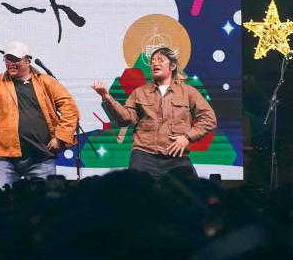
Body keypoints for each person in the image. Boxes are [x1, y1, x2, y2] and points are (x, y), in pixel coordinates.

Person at [92, 46, 217, 178]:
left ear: (172, 66)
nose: (155, 63)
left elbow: (209, 119)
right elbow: (125, 119)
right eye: (153, 61)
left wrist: (187, 138)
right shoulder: (140, 92)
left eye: (161, 60)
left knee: (187, 189)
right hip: (143, 156)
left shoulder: (188, 92)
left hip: (176, 156)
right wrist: (107, 97)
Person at [0, 40, 80, 188]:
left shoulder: (46, 81)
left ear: (28, 60)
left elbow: (70, 109)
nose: (11, 63)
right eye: (8, 59)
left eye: (16, 59)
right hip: (6, 158)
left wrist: (60, 138)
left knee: (43, 199)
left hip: (41, 156)